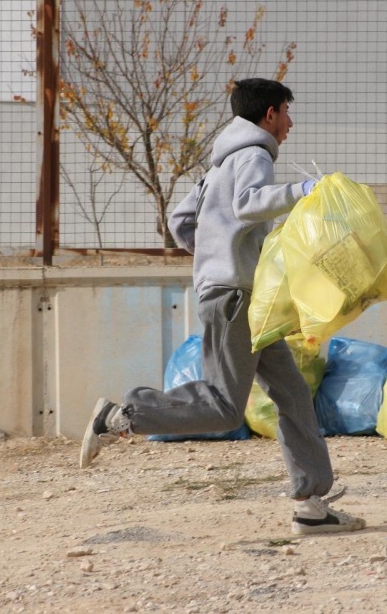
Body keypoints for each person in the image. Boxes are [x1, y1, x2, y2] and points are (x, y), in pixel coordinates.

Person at [79, 78, 366, 534]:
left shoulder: (219, 164)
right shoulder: (253, 155)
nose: (290, 123)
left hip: (243, 296)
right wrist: (307, 189)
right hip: (235, 296)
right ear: (268, 114)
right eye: (286, 113)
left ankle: (312, 507)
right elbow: (250, 204)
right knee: (226, 406)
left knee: (292, 394)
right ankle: (124, 416)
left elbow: (180, 222)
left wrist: (217, 253)